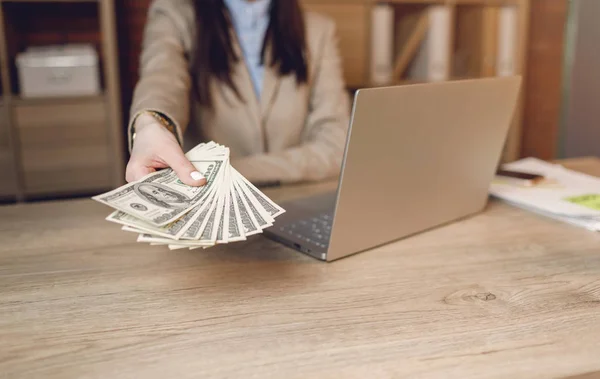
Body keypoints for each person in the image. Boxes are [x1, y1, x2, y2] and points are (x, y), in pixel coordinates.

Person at [126, 0, 351, 188]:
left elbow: (336, 146)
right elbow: (162, 76)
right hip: (211, 206)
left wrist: (229, 169)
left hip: (296, 202)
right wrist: (150, 123)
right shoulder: (175, 16)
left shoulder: (317, 31)